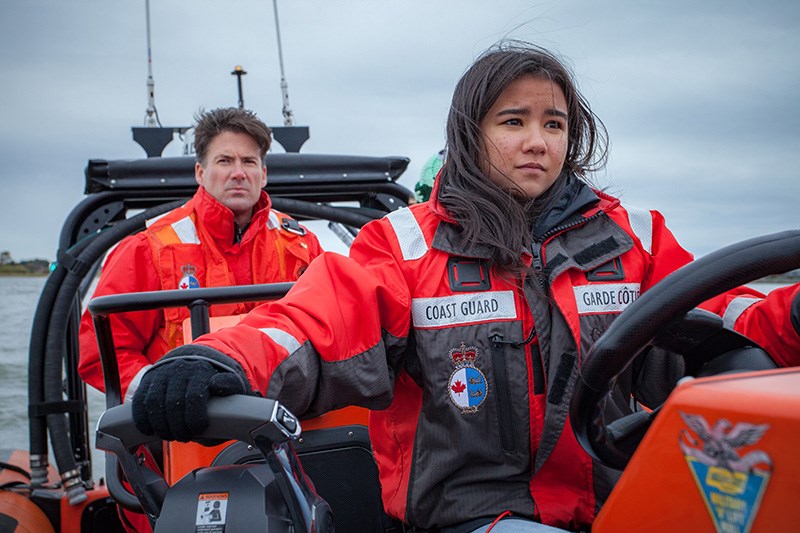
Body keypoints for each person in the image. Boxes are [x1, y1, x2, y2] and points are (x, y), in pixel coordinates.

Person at [130, 43, 800, 532]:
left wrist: (791, 314)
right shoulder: (401, 246)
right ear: (471, 133)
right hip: (471, 517)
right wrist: (214, 359)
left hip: (623, 505)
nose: (538, 140)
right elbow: (307, 326)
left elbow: (724, 317)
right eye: (514, 121)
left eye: (554, 123)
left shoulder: (637, 239)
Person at [78, 106, 323, 400]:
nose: (238, 173)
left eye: (249, 161)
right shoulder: (148, 248)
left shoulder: (303, 245)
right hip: (189, 429)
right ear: (200, 172)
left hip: (295, 417)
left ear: (264, 173)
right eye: (224, 161)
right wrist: (162, 395)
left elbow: (333, 329)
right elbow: (101, 351)